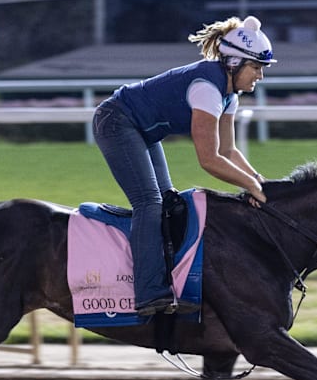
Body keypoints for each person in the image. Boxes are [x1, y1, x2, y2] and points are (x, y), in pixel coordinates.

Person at [92, 16, 274, 316]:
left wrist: (259, 181)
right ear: (233, 63)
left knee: (168, 203)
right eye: (256, 67)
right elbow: (209, 159)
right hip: (116, 121)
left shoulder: (229, 96)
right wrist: (250, 186)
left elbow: (228, 150)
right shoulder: (207, 88)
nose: (260, 76)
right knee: (149, 203)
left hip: (139, 129)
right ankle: (148, 293)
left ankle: (169, 280)